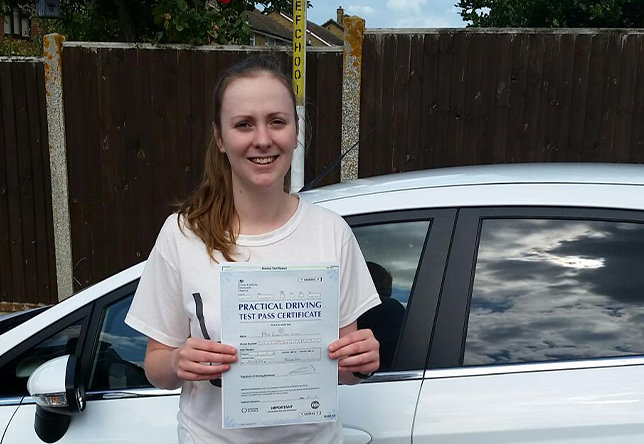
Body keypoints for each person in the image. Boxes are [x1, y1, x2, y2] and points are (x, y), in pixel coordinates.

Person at [124, 56, 381, 444]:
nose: (263, 139)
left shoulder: (331, 233)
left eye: (277, 121)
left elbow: (341, 369)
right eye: (244, 124)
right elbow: (155, 368)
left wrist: (360, 362)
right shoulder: (182, 234)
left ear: (295, 132)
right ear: (219, 138)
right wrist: (178, 361)